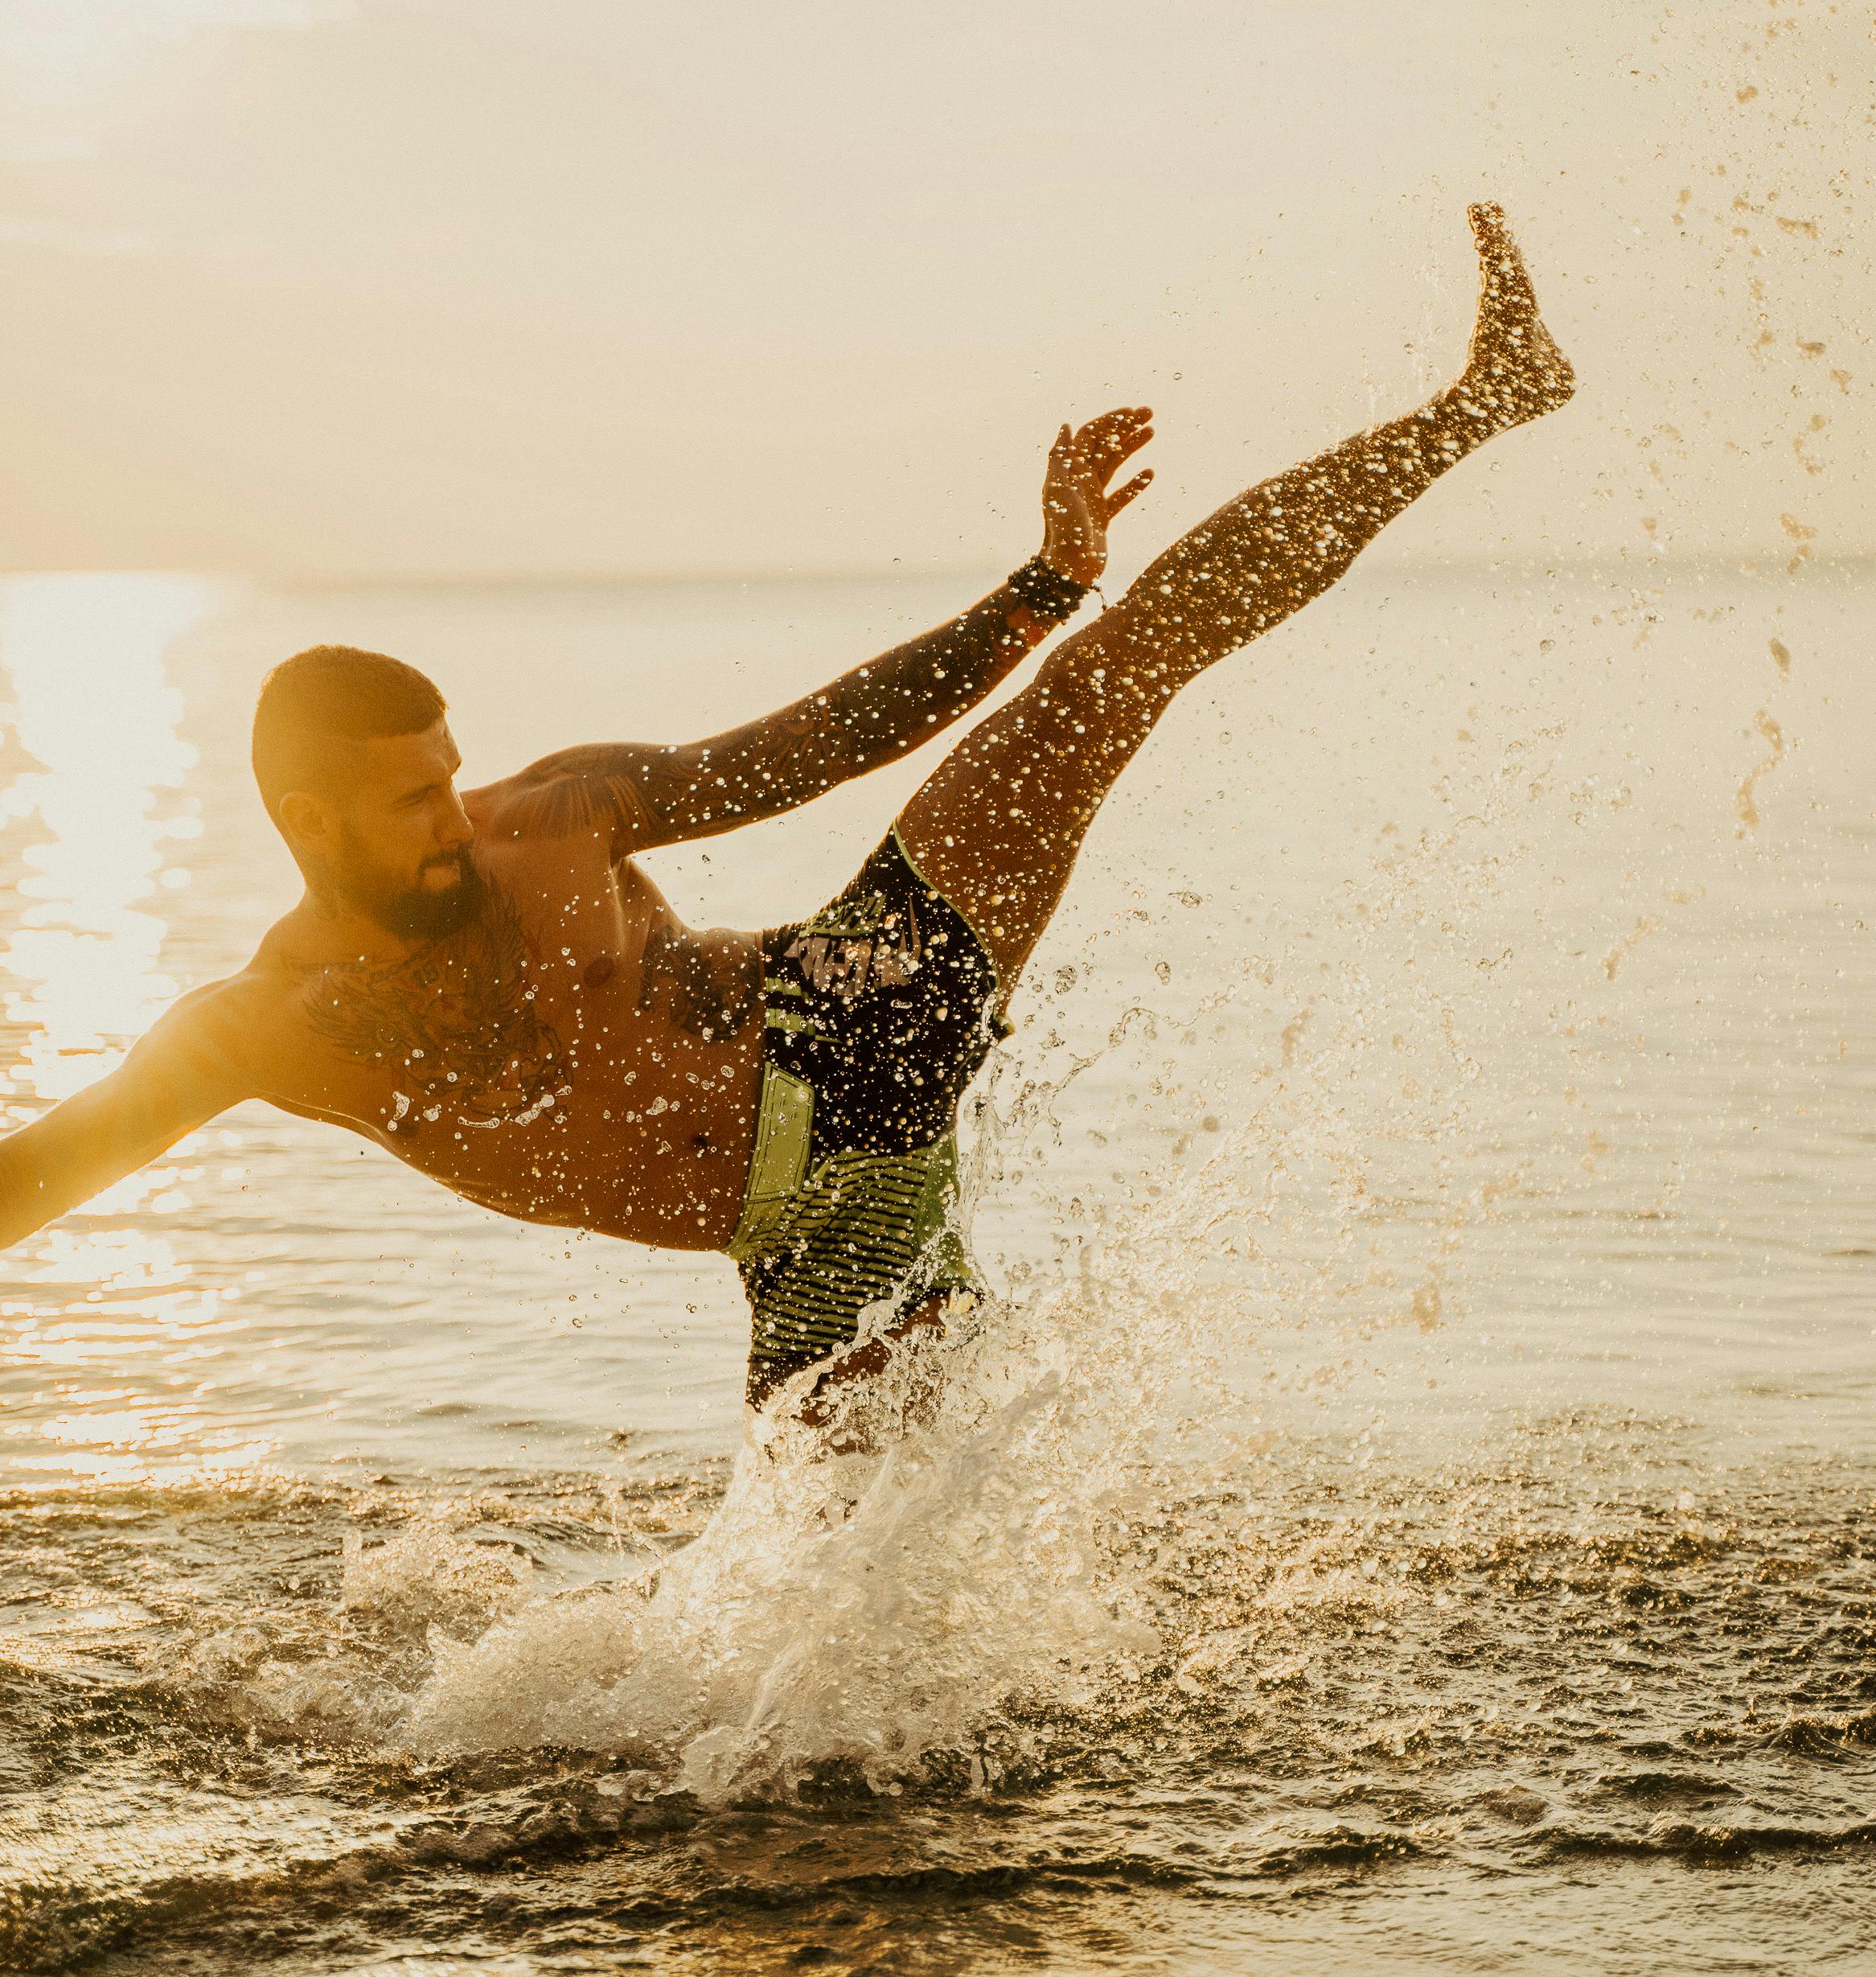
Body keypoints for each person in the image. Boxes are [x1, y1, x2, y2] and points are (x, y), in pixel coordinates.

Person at [0, 206, 1572, 1417]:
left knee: (1111, 672)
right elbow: (40, 1176)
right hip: (819, 1244)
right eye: (413, 800)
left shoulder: (544, 824)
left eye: (452, 776)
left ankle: (1486, 395)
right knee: (847, 1701)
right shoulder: (257, 1029)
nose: (454, 819)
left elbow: (807, 746)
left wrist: (1032, 591)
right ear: (304, 816)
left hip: (852, 1018)